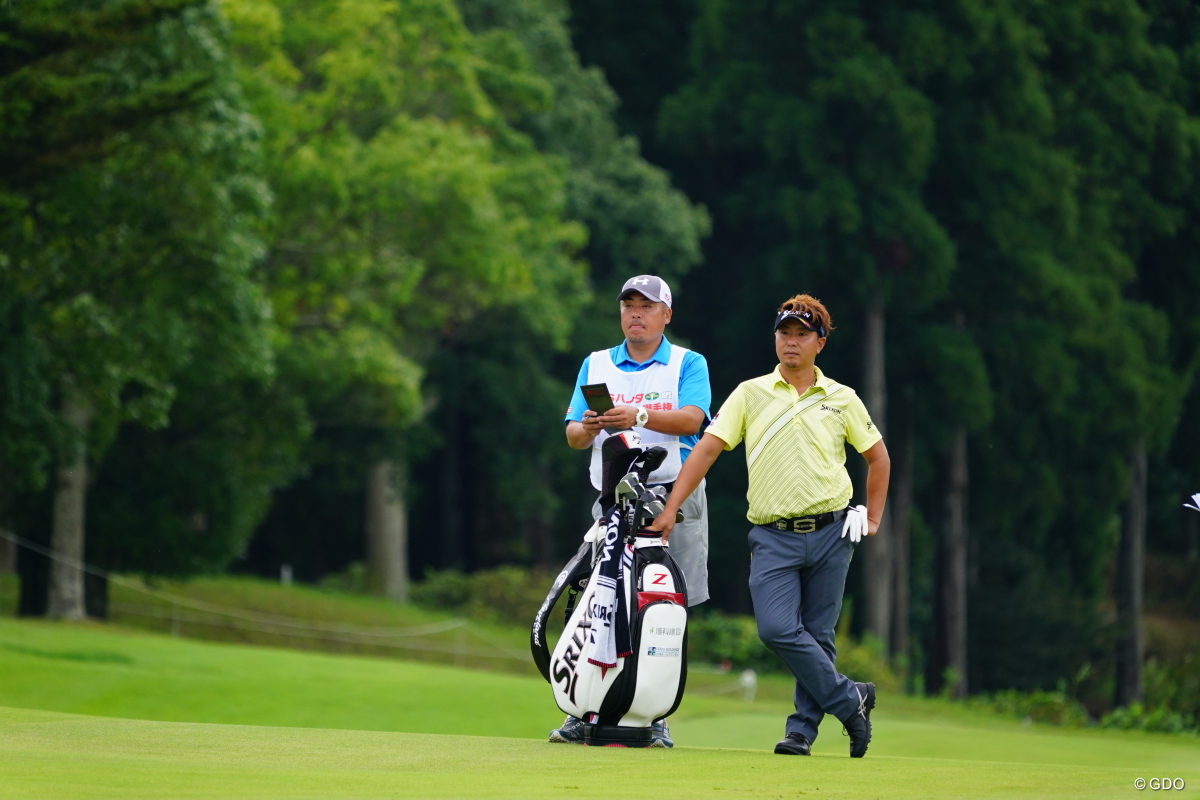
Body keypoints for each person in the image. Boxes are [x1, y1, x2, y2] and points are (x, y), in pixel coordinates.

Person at [646, 293, 890, 758]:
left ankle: (800, 732)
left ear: (820, 342)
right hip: (773, 535)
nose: (791, 343)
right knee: (777, 629)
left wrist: (873, 517)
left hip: (833, 532)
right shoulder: (750, 393)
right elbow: (706, 449)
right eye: (784, 333)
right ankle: (850, 699)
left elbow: (877, 457)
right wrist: (671, 506)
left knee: (818, 635)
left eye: (802, 335)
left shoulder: (841, 398)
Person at [549, 274, 713, 748]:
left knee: (667, 608)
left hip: (673, 498)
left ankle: (655, 715)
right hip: (613, 500)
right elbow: (574, 437)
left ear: (667, 314)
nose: (635, 314)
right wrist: (590, 423)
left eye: (647, 306)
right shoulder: (597, 363)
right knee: (599, 604)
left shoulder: (688, 362)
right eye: (628, 305)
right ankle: (586, 709)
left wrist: (637, 415)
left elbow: (693, 421)